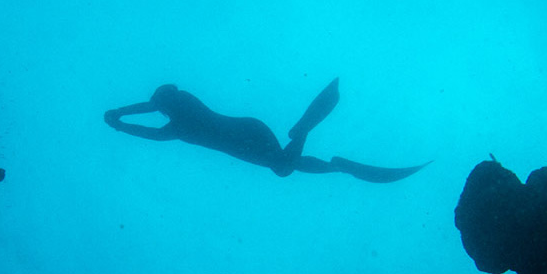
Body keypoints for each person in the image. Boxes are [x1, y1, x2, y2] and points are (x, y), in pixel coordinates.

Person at [104, 78, 429, 183]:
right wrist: (120, 116)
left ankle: (309, 136)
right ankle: (325, 154)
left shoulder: (176, 126)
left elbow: (149, 124)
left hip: (241, 141)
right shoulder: (184, 102)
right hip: (250, 128)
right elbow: (153, 105)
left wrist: (120, 122)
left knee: (283, 168)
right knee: (284, 165)